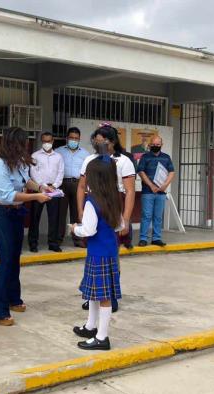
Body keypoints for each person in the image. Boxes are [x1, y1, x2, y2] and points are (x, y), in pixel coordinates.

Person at [0, 127, 51, 326]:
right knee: (6, 258)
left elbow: (27, 181)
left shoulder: (20, 163)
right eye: (23, 143)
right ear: (14, 144)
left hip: (16, 213)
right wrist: (36, 197)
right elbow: (8, 195)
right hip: (0, 214)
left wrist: (41, 187)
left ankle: (13, 299)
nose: (26, 146)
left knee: (14, 257)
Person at [77, 124, 135, 313]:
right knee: (93, 255)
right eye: (97, 140)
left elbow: (129, 191)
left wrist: (125, 219)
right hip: (93, 205)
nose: (99, 144)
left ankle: (110, 296)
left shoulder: (123, 161)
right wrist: (81, 212)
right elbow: (81, 187)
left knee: (112, 255)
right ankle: (94, 294)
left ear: (113, 142)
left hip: (113, 208)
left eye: (104, 141)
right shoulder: (90, 160)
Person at [71, 156, 123, 350]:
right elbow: (120, 225)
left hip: (97, 254)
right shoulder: (113, 198)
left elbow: (88, 230)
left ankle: (102, 337)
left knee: (103, 297)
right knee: (94, 293)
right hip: (109, 252)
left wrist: (75, 228)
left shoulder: (92, 202)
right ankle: (91, 326)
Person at [28, 131, 64, 253]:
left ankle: (53, 243)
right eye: (44, 141)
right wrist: (43, 186)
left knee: (54, 217)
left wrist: (54, 186)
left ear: (53, 141)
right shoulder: (35, 155)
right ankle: (33, 243)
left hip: (54, 189)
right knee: (35, 217)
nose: (46, 143)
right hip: (39, 189)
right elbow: (33, 173)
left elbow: (60, 173)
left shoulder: (58, 157)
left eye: (48, 141)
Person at [136, 135, 175, 247]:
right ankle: (143, 238)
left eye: (158, 145)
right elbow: (141, 171)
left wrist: (165, 185)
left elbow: (172, 172)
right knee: (146, 215)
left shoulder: (166, 157)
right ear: (149, 145)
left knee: (158, 216)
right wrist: (151, 185)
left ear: (161, 145)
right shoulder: (145, 157)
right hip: (148, 191)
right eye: (153, 144)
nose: (155, 146)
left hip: (161, 192)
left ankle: (156, 238)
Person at [57, 127, 90, 248]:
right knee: (61, 212)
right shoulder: (59, 151)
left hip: (78, 184)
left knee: (77, 212)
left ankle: (77, 239)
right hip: (62, 184)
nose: (73, 140)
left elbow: (88, 171)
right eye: (71, 138)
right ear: (67, 138)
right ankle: (58, 239)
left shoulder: (85, 154)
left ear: (79, 139)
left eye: (76, 138)